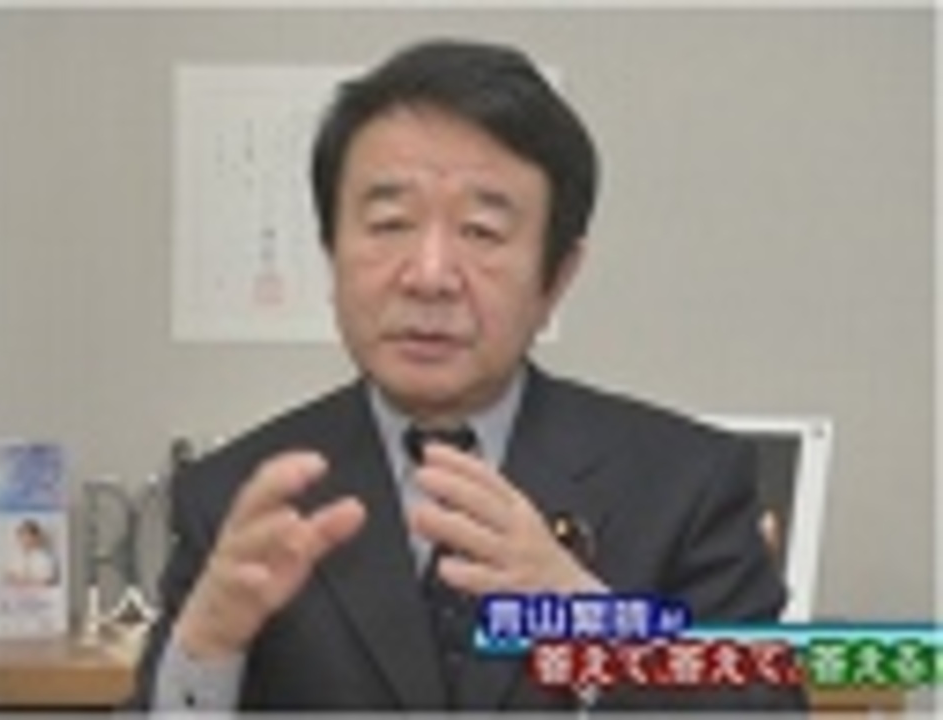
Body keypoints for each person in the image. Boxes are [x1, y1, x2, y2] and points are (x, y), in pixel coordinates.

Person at [129, 38, 806, 712]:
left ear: (557, 277)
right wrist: (206, 650)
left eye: (481, 232)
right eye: (389, 223)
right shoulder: (233, 501)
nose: (429, 276)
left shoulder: (687, 487)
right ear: (332, 252)